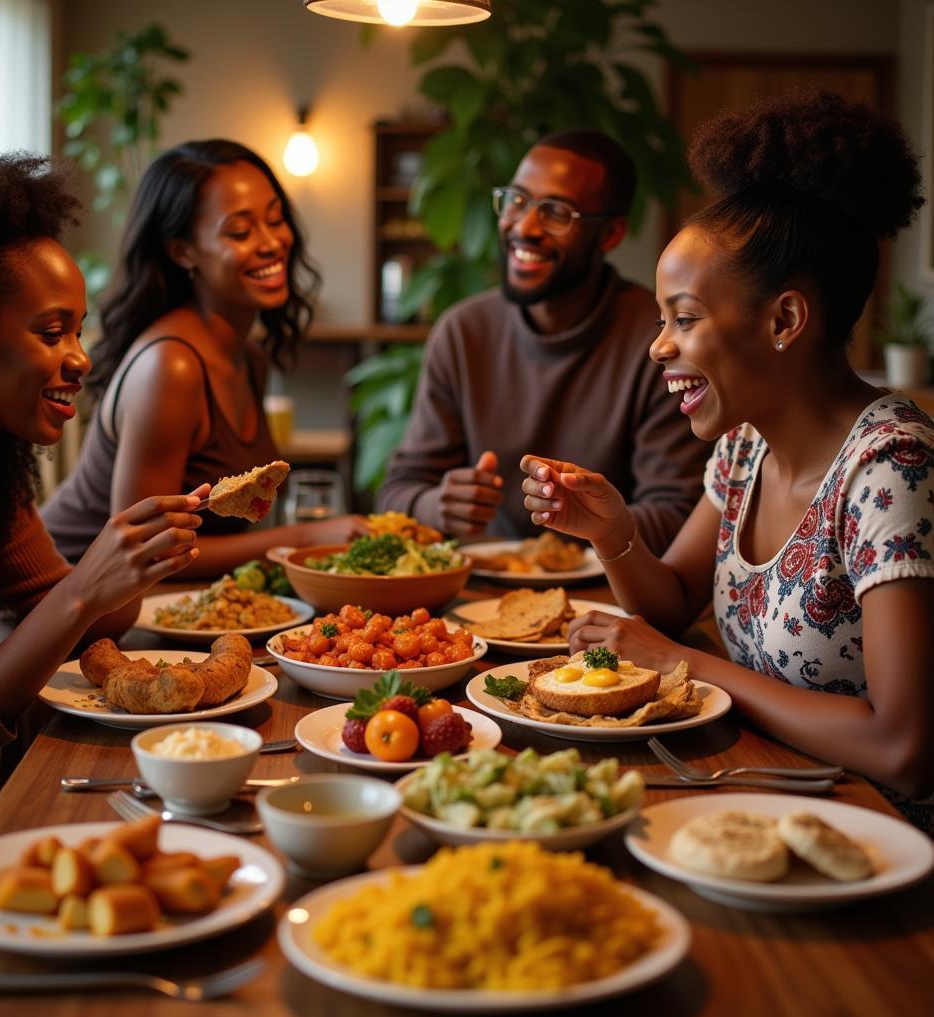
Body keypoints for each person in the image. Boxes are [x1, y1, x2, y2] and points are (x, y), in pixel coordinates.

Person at [521, 92, 934, 825]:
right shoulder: (747, 445)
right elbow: (673, 604)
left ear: (784, 320)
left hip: (875, 835)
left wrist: (686, 667)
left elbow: (903, 745)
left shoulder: (891, 469)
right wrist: (611, 532)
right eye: (660, 320)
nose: (659, 346)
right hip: (757, 790)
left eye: (685, 318)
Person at [0, 137, 208, 884]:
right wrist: (83, 590)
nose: (79, 357)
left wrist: (137, 559)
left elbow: (81, 620)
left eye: (78, 329)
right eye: (51, 333)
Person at [41, 139, 363, 577]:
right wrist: (304, 537)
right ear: (182, 251)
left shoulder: (249, 357)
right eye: (241, 231)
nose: (272, 243)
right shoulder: (172, 367)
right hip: (72, 607)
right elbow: (148, 551)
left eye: (275, 219)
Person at [378, 128, 710, 548]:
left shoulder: (659, 339)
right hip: (482, 588)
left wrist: (585, 524)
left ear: (609, 234)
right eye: (516, 201)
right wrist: (436, 505)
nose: (525, 226)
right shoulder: (463, 333)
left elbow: (678, 511)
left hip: (611, 593)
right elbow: (397, 491)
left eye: (556, 212)